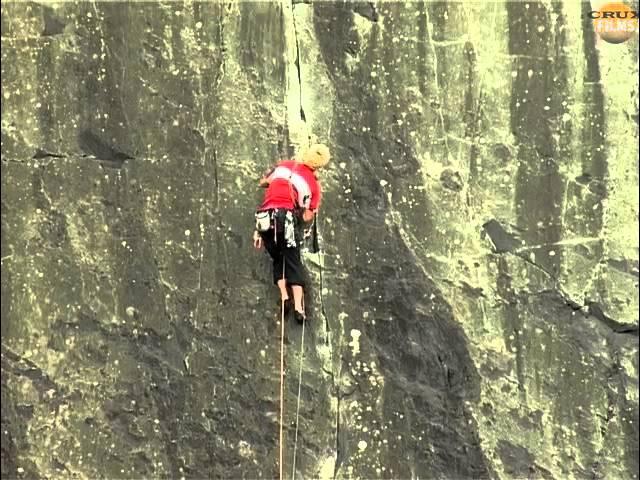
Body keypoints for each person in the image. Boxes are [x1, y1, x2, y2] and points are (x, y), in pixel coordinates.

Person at [253, 144, 330, 324]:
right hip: (286, 218)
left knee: (278, 258)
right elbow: (308, 214)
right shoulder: (313, 184)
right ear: (318, 166)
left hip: (265, 219)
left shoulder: (284, 165)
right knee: (293, 260)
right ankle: (298, 308)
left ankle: (284, 296)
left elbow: (264, 181)